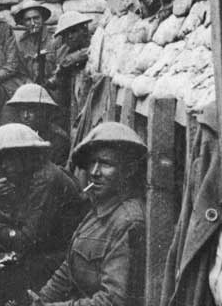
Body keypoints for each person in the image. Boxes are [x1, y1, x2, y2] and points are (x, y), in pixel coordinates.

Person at [0, 123, 85, 304]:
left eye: (5, 160)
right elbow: (23, 223)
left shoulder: (46, 180)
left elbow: (25, 240)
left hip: (62, 263)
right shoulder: (32, 176)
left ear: (25, 155)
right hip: (47, 256)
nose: (0, 167)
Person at [35, 122, 147, 306]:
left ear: (129, 170)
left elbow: (113, 301)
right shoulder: (99, 208)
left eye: (105, 164)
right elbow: (69, 268)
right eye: (92, 163)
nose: (94, 172)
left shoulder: (128, 221)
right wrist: (42, 299)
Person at [46, 11, 92, 133]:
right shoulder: (63, 50)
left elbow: (91, 52)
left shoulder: (95, 43)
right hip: (69, 101)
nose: (69, 37)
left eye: (73, 32)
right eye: (66, 35)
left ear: (84, 30)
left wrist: (74, 58)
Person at [5, 83, 70, 168]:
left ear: (44, 111)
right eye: (22, 110)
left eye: (31, 110)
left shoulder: (57, 139)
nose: (25, 115)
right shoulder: (16, 136)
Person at [12, 0, 58, 84]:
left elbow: (62, 66)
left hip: (54, 85)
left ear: (43, 18)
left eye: (36, 18)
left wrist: (51, 81)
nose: (33, 23)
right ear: (23, 22)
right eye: (28, 20)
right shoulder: (21, 43)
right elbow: (21, 71)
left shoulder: (54, 38)